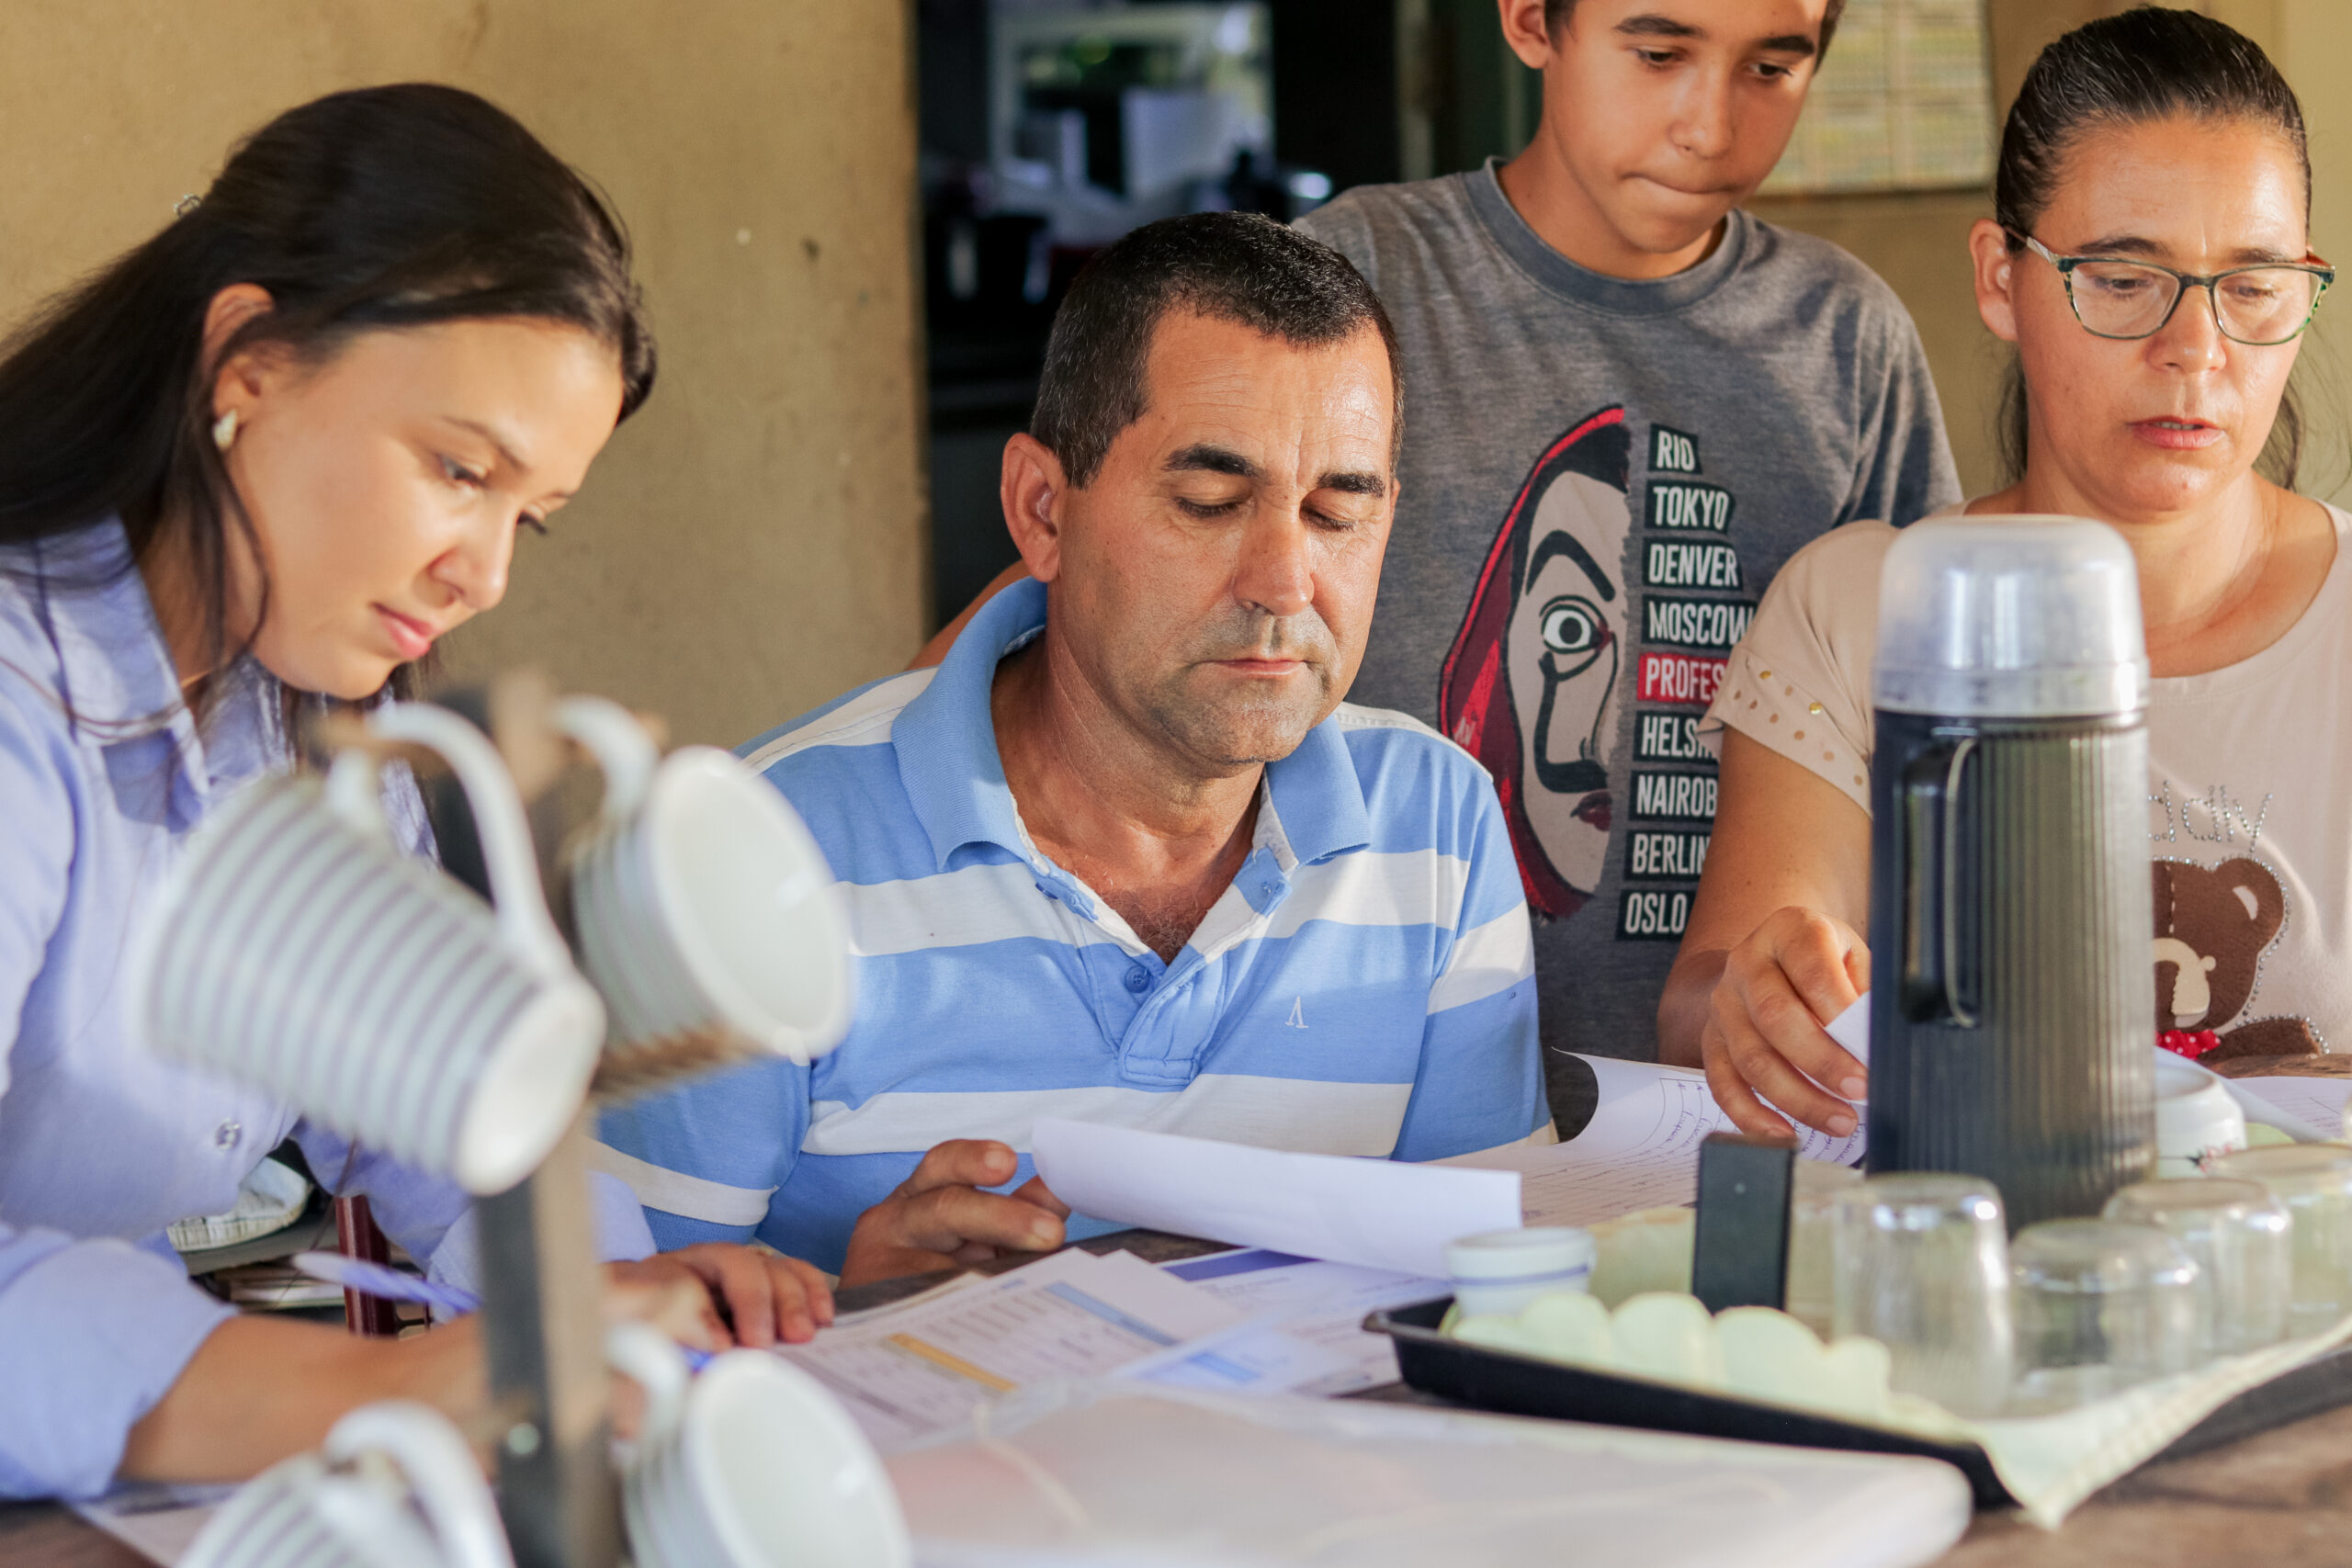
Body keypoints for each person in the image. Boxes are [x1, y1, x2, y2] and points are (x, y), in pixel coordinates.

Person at [0, 85, 831, 1501]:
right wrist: (389, 1382)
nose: (484, 574)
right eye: (459, 470)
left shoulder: (302, 711)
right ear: (248, 362)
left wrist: (607, 1291)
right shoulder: (25, 697)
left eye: (530, 518)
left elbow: (426, 1100)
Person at [924, 0, 1960, 1115]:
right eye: (1658, 54)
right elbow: (1080, 588)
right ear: (1528, 20)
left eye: (1771, 66)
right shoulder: (1361, 277)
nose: (1710, 123)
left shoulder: (1847, 341)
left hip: (1732, 1102)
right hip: (1352, 1082)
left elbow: (1921, 727)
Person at [598, 213, 1550, 1282]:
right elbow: (608, 1364)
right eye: (1209, 503)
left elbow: (1489, 1294)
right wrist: (852, 1305)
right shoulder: (757, 856)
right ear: (1041, 511)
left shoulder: (1438, 827)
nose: (1286, 584)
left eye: (1337, 513)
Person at [1657, 9, 2342, 1139]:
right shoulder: (1859, 608)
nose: (2196, 348)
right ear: (2000, 278)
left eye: (2254, 285)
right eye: (2122, 278)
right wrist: (1758, 1002)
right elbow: (1707, 999)